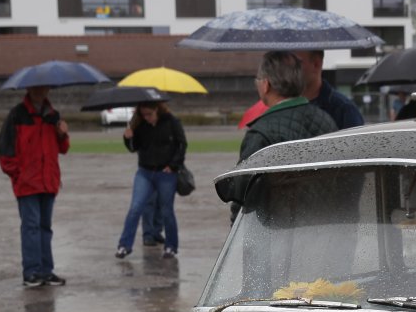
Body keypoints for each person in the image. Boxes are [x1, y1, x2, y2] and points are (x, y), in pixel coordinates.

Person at [216, 51, 337, 219]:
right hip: (327, 222)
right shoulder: (326, 120)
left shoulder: (262, 132)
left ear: (266, 85)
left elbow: (243, 195)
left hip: (281, 228)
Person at [0, 83, 70, 287]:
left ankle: (46, 271)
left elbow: (63, 148)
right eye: (36, 88)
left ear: (48, 90)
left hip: (48, 182)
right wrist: (19, 176)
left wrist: (62, 134)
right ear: (28, 90)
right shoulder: (16, 115)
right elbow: (5, 151)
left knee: (45, 227)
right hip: (27, 184)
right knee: (31, 227)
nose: (39, 92)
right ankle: (31, 272)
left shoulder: (53, 116)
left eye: (43, 88)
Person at [115, 98, 187, 258]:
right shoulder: (140, 124)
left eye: (149, 114)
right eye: (143, 114)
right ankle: (124, 246)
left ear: (157, 110)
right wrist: (128, 138)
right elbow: (134, 148)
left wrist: (174, 165)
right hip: (145, 172)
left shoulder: (172, 121)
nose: (147, 117)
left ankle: (171, 246)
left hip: (166, 173)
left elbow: (182, 144)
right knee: (135, 208)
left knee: (167, 210)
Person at [299, 49, 363, 130]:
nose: (289, 68)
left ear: (316, 64)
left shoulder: (344, 109)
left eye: (297, 63)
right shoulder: (286, 103)